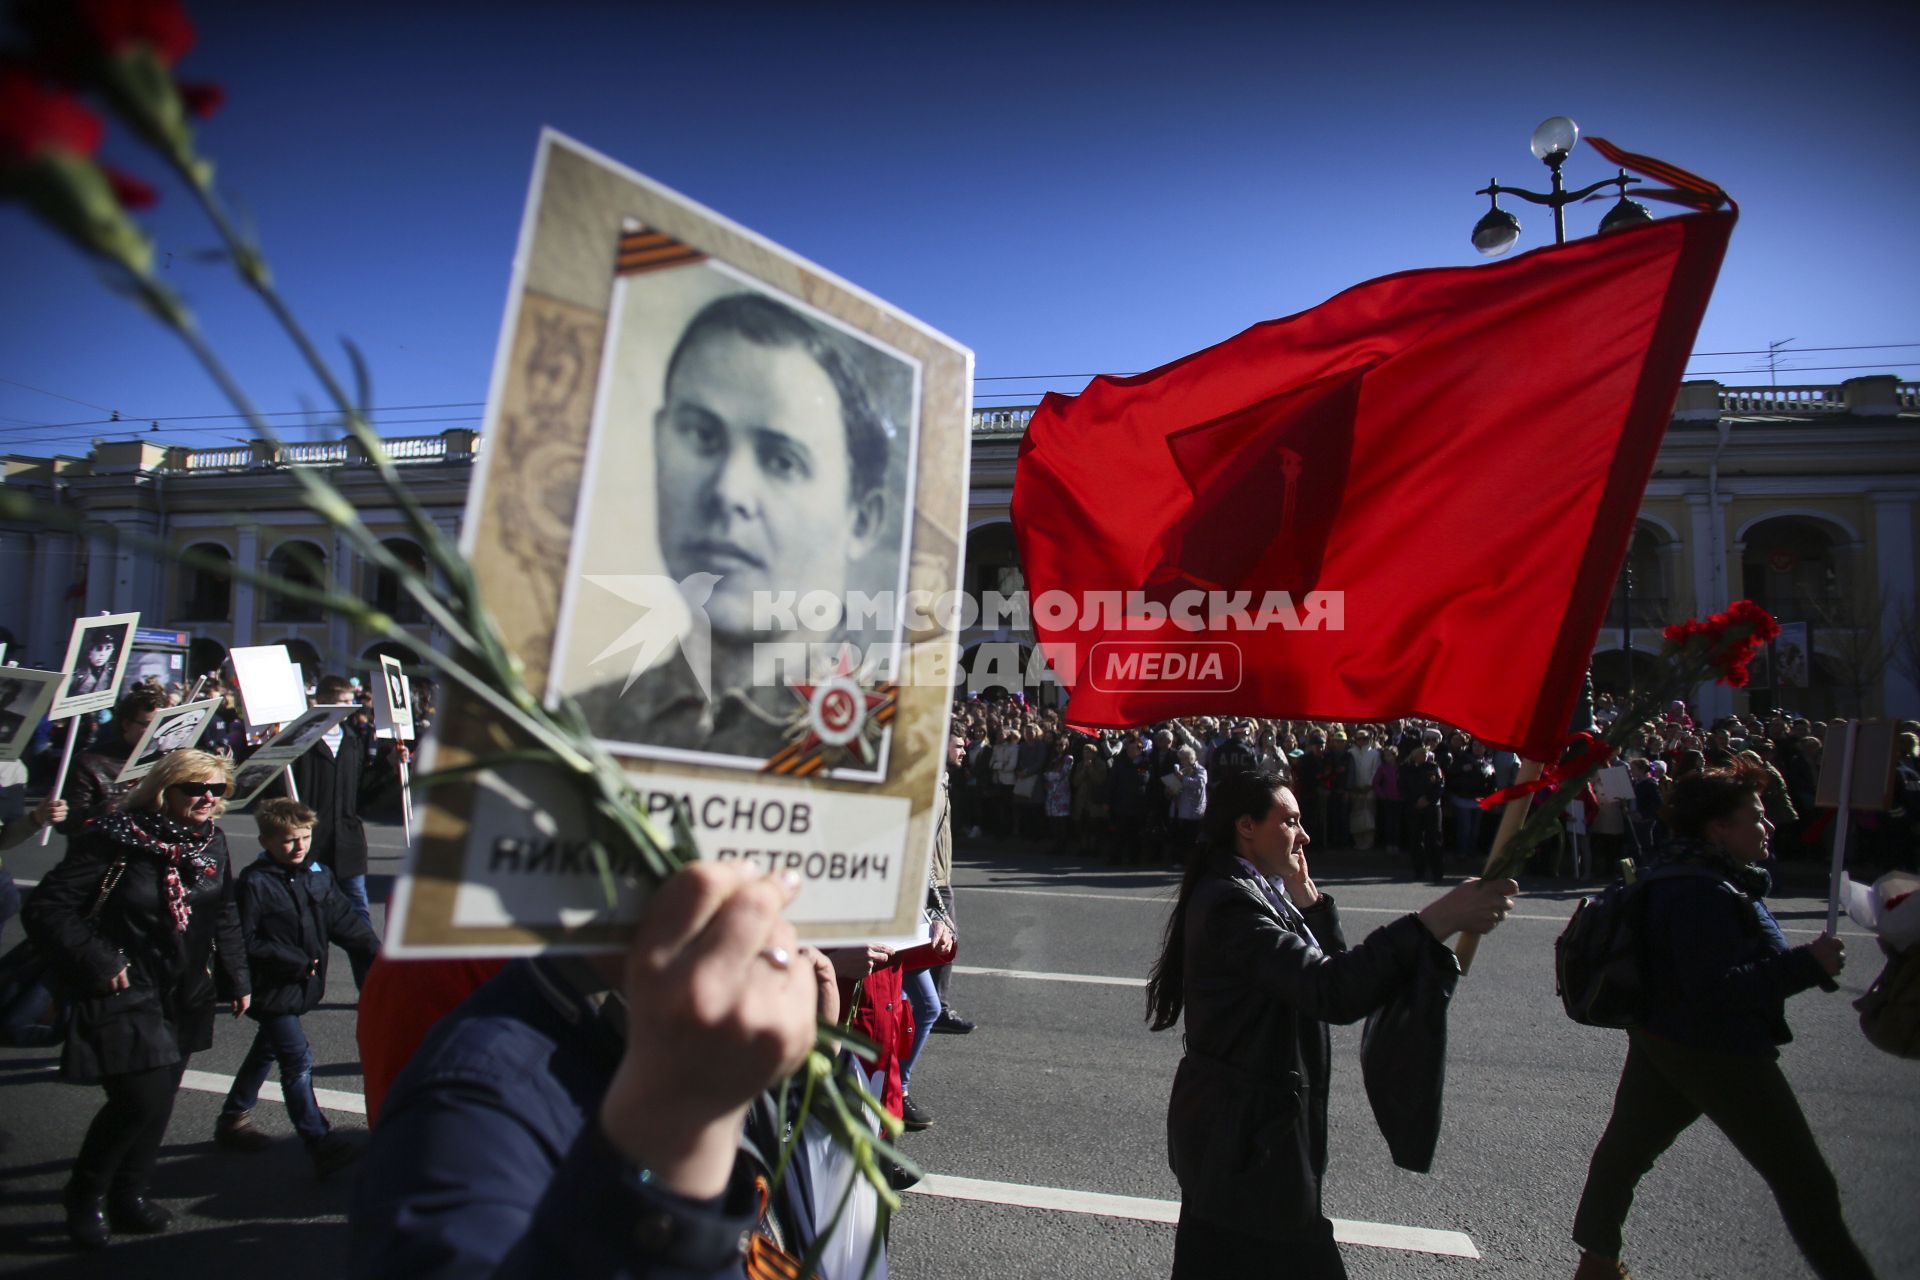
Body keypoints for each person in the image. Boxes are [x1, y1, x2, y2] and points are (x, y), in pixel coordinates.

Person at [350, 862, 850, 1278]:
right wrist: (685, 1132)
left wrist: (804, 1079)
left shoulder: (681, 1017)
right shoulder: (466, 1103)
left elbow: (769, 1207)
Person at [1146, 768, 1515, 1278]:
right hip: (1247, 1147)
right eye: (1291, 821)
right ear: (1247, 826)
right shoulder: (1232, 902)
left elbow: (1335, 977)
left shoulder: (1257, 888)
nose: (1305, 835)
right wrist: (1438, 919)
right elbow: (1331, 992)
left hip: (1243, 1143)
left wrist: (1309, 898)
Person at [1570, 762, 1877, 1280]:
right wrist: (1808, 965)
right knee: (1805, 1182)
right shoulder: (1699, 892)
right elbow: (1718, 991)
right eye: (1755, 817)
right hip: (1715, 1049)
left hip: (1663, 1036)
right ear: (1718, 829)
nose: (1768, 827)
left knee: (1626, 1152)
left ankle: (1596, 1264)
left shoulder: (1683, 872)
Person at [575, 292, 897, 762]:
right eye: (703, 436)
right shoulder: (578, 726)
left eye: (783, 461)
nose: (728, 491)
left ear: (861, 520)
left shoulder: (890, 748)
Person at [23, 749, 249, 1249]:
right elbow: (48, 906)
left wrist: (237, 975)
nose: (207, 798)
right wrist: (101, 960)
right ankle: (85, 1194)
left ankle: (130, 1193)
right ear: (165, 789)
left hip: (185, 988)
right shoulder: (113, 838)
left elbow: (224, 911)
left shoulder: (211, 842)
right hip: (124, 986)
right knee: (138, 1099)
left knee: (160, 1100)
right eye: (195, 787)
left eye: (217, 790)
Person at [214, 798, 380, 1174]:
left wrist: (380, 957)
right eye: (289, 840)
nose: (300, 846)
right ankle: (318, 1140)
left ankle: (232, 1117)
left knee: (267, 1050)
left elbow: (347, 923)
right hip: (271, 987)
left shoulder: (316, 874)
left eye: (305, 837)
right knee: (298, 1060)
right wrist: (288, 959)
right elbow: (242, 941)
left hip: (301, 985)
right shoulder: (255, 883)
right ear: (266, 841)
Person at [266, 676, 375, 980]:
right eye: (341, 701)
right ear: (321, 701)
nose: (347, 707)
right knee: (309, 916)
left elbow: (364, 792)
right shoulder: (302, 739)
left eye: (350, 701)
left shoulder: (353, 738)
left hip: (348, 843)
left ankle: (369, 984)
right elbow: (277, 789)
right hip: (311, 844)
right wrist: (276, 751)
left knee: (359, 916)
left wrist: (393, 764)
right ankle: (303, 982)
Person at [56, 687, 169, 834]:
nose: (157, 733)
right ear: (127, 724)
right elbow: (69, 823)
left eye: (162, 725)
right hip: (105, 851)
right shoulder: (89, 763)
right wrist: (125, 800)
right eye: (150, 725)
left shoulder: (166, 758)